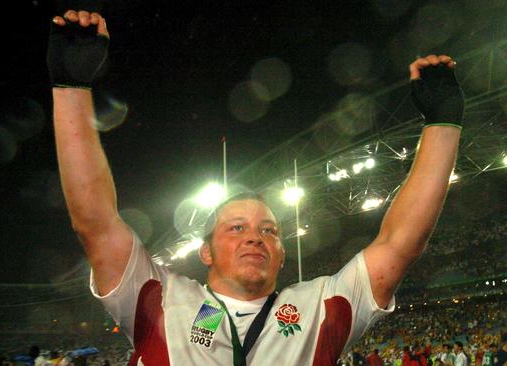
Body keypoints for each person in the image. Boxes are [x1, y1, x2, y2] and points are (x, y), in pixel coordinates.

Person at [48, 6, 464, 366]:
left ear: (282, 254)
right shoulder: (155, 298)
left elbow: (401, 242)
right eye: (236, 228)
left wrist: (443, 124)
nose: (255, 238)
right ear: (205, 252)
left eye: (269, 230)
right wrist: (71, 87)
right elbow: (94, 220)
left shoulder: (321, 307)